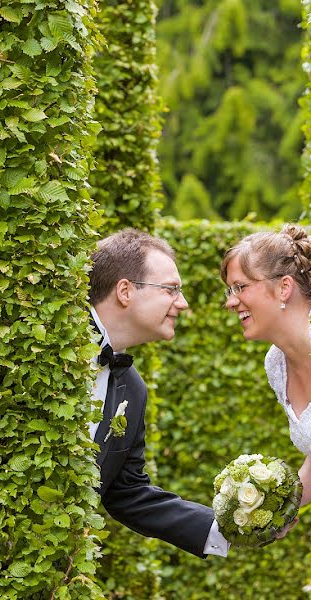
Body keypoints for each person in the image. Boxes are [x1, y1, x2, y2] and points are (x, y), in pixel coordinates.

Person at [89, 228, 229, 558]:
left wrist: (226, 527)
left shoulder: (132, 390)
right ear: (125, 291)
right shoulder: (42, 346)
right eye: (171, 290)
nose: (183, 303)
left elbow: (127, 491)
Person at [221, 224, 311, 507]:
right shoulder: (276, 362)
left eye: (240, 287)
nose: (231, 302)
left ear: (284, 288)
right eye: (229, 291)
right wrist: (280, 510)